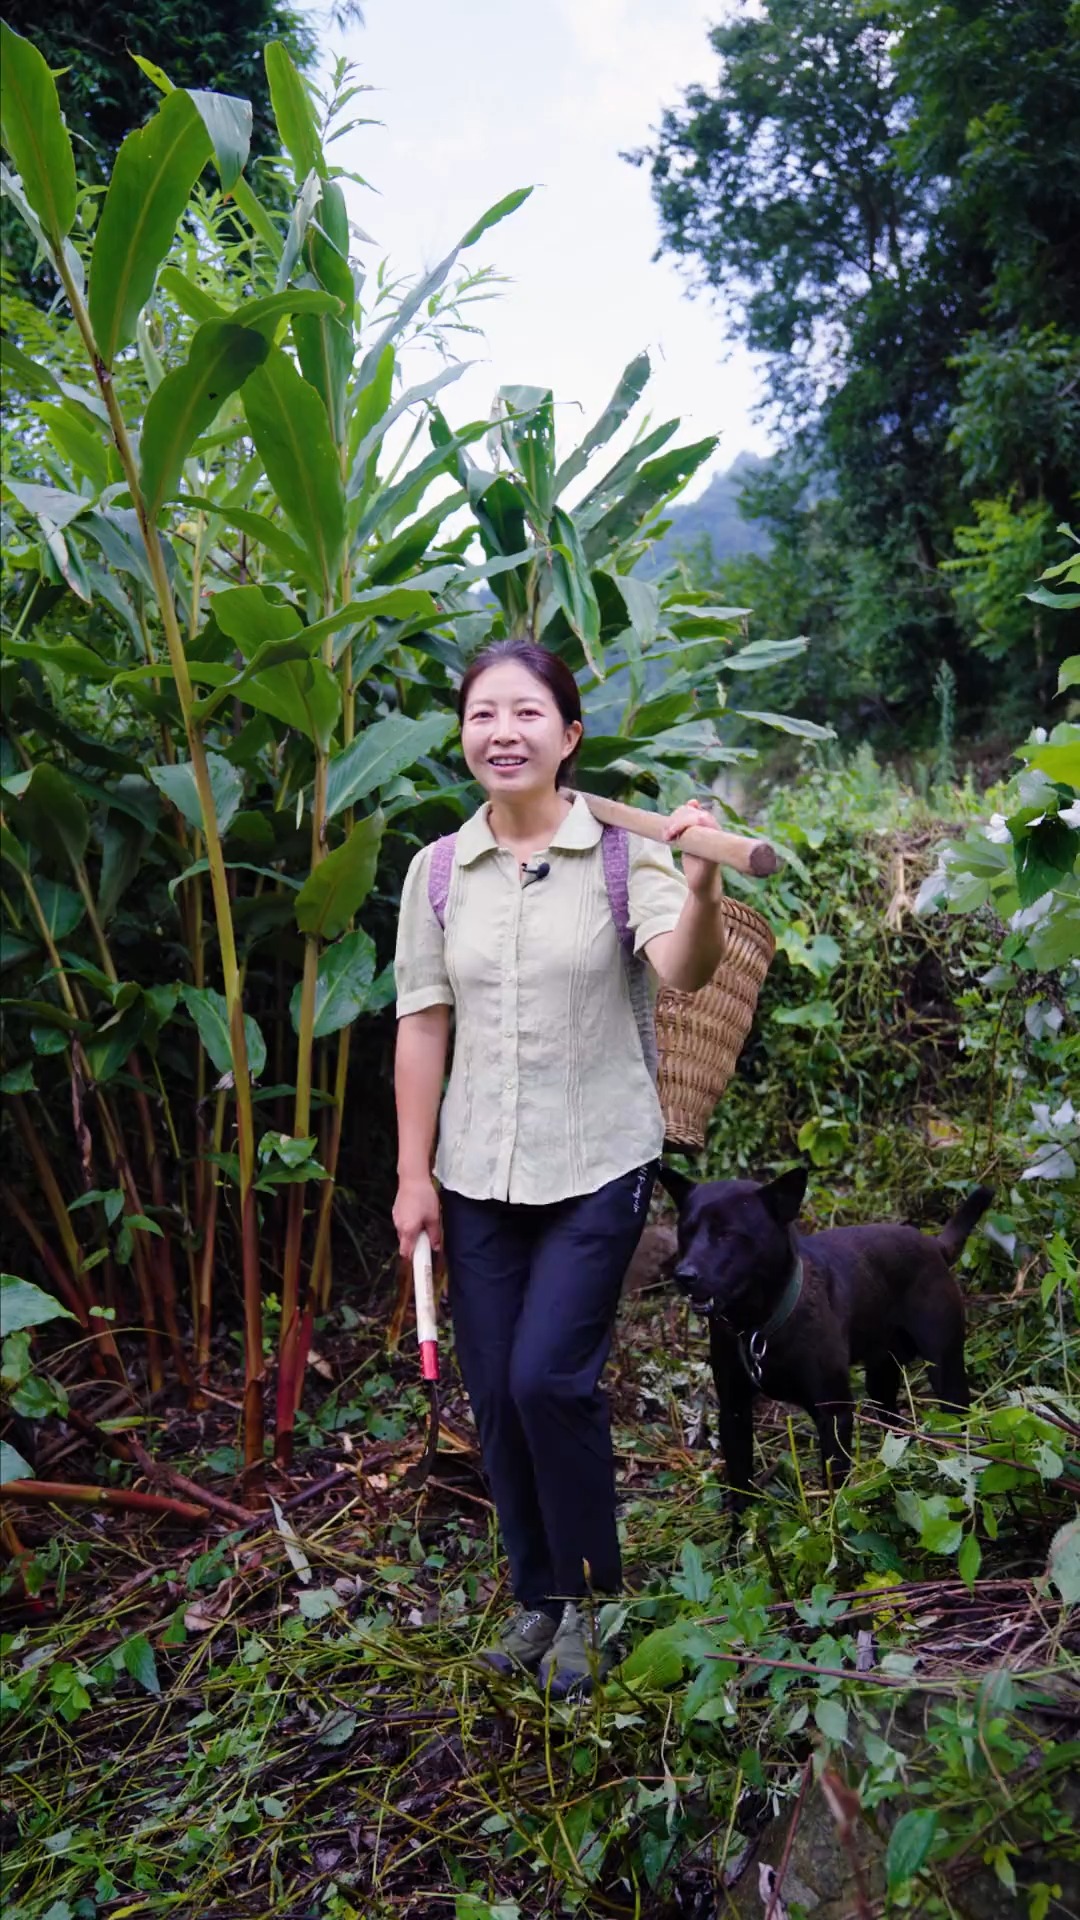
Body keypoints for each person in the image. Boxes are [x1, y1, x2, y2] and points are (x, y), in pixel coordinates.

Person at [392, 639, 728, 1695]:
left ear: (568, 735)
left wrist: (706, 874)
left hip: (598, 1162)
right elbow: (420, 1024)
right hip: (476, 1169)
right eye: (484, 713)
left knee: (549, 1378)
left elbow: (687, 966)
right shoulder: (439, 871)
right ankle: (536, 1598)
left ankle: (585, 1598)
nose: (504, 731)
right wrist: (412, 1178)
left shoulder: (627, 857)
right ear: (464, 736)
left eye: (528, 712)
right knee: (494, 1390)